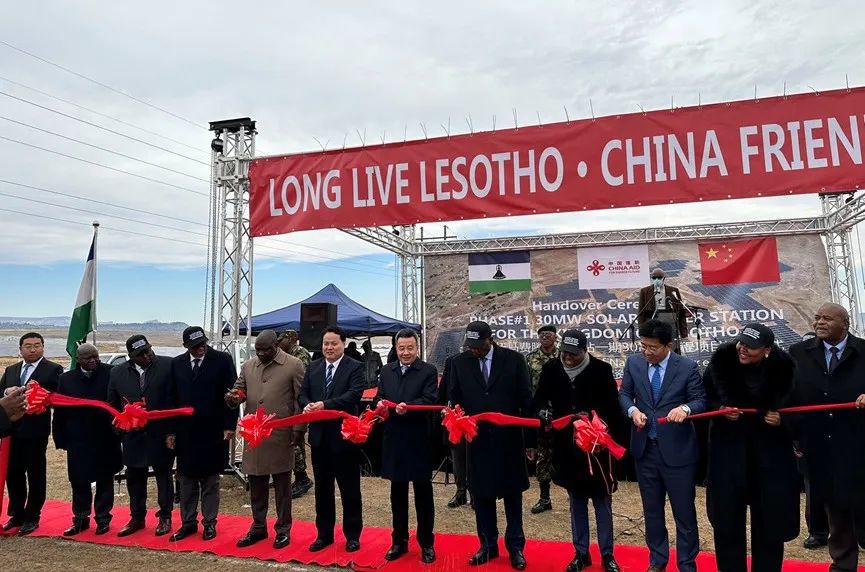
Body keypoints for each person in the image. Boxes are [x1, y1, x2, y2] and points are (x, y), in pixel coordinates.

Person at [703, 324, 799, 572]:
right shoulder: (721, 363)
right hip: (729, 456)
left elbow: (800, 409)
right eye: (741, 343)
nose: (742, 349)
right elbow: (705, 398)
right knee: (727, 522)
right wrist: (720, 410)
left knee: (769, 523)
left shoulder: (785, 369)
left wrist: (783, 420)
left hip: (769, 460)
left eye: (751, 347)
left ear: (767, 350)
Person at [618, 318, 705, 572]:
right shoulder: (634, 363)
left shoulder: (687, 367)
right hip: (646, 450)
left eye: (653, 347)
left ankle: (686, 563)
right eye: (643, 346)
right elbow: (624, 395)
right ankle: (657, 561)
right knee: (652, 512)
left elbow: (700, 400)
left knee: (684, 513)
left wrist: (685, 408)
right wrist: (632, 410)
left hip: (678, 453)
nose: (646, 352)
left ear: (668, 345)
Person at [448, 321, 535, 571]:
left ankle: (515, 547)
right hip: (477, 441)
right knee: (481, 495)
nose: (474, 350)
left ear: (491, 339)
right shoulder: (459, 363)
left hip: (509, 440)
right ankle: (487, 545)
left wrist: (530, 441)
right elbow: (454, 398)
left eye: (479, 345)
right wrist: (456, 423)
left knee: (512, 496)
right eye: (470, 345)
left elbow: (526, 401)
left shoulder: (514, 360)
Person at [534, 329, 622, 572]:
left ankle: (607, 554)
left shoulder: (602, 370)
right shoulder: (551, 369)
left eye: (573, 354)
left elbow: (613, 410)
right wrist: (542, 411)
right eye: (565, 353)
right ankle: (581, 553)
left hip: (596, 450)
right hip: (567, 448)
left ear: (584, 351)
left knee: (602, 502)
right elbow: (539, 399)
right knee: (577, 501)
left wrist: (595, 420)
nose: (568, 358)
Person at [788, 303, 865, 571]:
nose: (819, 322)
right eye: (817, 317)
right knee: (836, 510)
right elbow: (790, 393)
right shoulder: (798, 353)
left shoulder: (863, 350)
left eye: (827, 319)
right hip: (820, 445)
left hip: (858, 442)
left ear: (844, 323)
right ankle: (842, 564)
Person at [226, 330, 305, 549]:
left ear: (276, 346)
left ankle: (283, 529)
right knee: (257, 483)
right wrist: (233, 398)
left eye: (265, 350)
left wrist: (299, 428)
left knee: (282, 486)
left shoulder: (294, 364)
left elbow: (300, 399)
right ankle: (258, 527)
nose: (261, 354)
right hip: (254, 436)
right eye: (258, 350)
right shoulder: (248, 366)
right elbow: (239, 390)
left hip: (281, 434)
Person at [299, 326, 366, 552]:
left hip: (345, 438)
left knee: (350, 490)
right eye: (326, 343)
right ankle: (324, 535)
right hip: (319, 440)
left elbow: (354, 395)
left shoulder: (354, 366)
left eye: (334, 343)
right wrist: (306, 404)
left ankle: (352, 536)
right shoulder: (314, 367)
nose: (329, 347)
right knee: (323, 490)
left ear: (343, 344)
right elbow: (303, 393)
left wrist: (325, 405)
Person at [168, 326, 238, 542]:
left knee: (210, 481)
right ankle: (188, 523)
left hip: (213, 431)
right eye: (195, 346)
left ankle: (209, 523)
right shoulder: (177, 364)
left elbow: (232, 396)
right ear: (185, 346)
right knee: (186, 480)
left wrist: (229, 425)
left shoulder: (222, 360)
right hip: (186, 433)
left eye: (202, 344)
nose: (200, 349)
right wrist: (171, 431)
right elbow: (172, 399)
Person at [376, 328, 438, 564]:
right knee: (397, 495)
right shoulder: (387, 370)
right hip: (395, 440)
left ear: (417, 348)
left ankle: (427, 543)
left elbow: (430, 399)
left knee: (423, 496)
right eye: (401, 348)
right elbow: (380, 395)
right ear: (396, 348)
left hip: (419, 439)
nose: (405, 352)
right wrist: (380, 404)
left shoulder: (428, 371)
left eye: (410, 348)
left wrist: (408, 407)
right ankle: (399, 541)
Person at [108, 334, 175, 537]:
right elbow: (112, 403)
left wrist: (172, 431)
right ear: (131, 356)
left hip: (160, 433)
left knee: (164, 475)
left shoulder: (168, 365)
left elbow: (175, 399)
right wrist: (119, 425)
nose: (146, 355)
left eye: (148, 350)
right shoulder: (117, 372)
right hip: (133, 435)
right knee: (135, 477)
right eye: (140, 354)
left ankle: (165, 516)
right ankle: (137, 517)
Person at [52, 343, 121, 536]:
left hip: (105, 437)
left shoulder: (110, 372)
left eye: (95, 356)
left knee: (105, 480)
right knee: (79, 480)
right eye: (88, 358)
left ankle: (103, 519)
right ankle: (80, 519)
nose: (93, 361)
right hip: (78, 439)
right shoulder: (66, 379)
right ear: (78, 360)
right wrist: (60, 437)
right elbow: (60, 409)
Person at [0, 332, 63, 535]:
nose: (33, 349)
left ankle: (32, 516)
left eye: (37, 345)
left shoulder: (53, 369)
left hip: (35, 431)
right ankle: (16, 514)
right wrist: (7, 392)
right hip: (11, 432)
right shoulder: (11, 370)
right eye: (28, 346)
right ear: (20, 349)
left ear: (43, 347)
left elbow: (58, 397)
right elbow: (1, 393)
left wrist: (39, 395)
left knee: (35, 474)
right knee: (13, 474)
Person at [525, 324, 560, 515]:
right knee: (542, 456)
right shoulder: (530, 358)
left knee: (566, 454)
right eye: (542, 335)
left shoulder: (564, 356)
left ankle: (575, 495)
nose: (545, 337)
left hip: (562, 413)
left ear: (555, 337)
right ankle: (545, 498)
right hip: (539, 413)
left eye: (548, 334)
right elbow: (526, 387)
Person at [277, 330, 314, 499]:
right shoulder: (285, 356)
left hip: (298, 404)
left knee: (295, 442)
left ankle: (302, 478)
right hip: (287, 404)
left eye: (281, 340)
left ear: (292, 339)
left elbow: (301, 381)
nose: (279, 344)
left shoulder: (300, 354)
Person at [439, 347, 471, 509]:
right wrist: (442, 409)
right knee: (457, 456)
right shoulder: (452, 361)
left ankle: (476, 493)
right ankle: (460, 492)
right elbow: (444, 388)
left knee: (475, 456)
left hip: (475, 418)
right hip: (455, 418)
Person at [636, 268, 688, 344]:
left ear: (664, 278)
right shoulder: (645, 291)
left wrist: (683, 332)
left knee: (670, 345)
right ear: (651, 278)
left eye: (659, 278)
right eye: (654, 278)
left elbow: (680, 312)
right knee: (654, 345)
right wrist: (642, 331)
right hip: (652, 323)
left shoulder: (673, 291)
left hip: (669, 322)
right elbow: (641, 312)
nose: (657, 280)